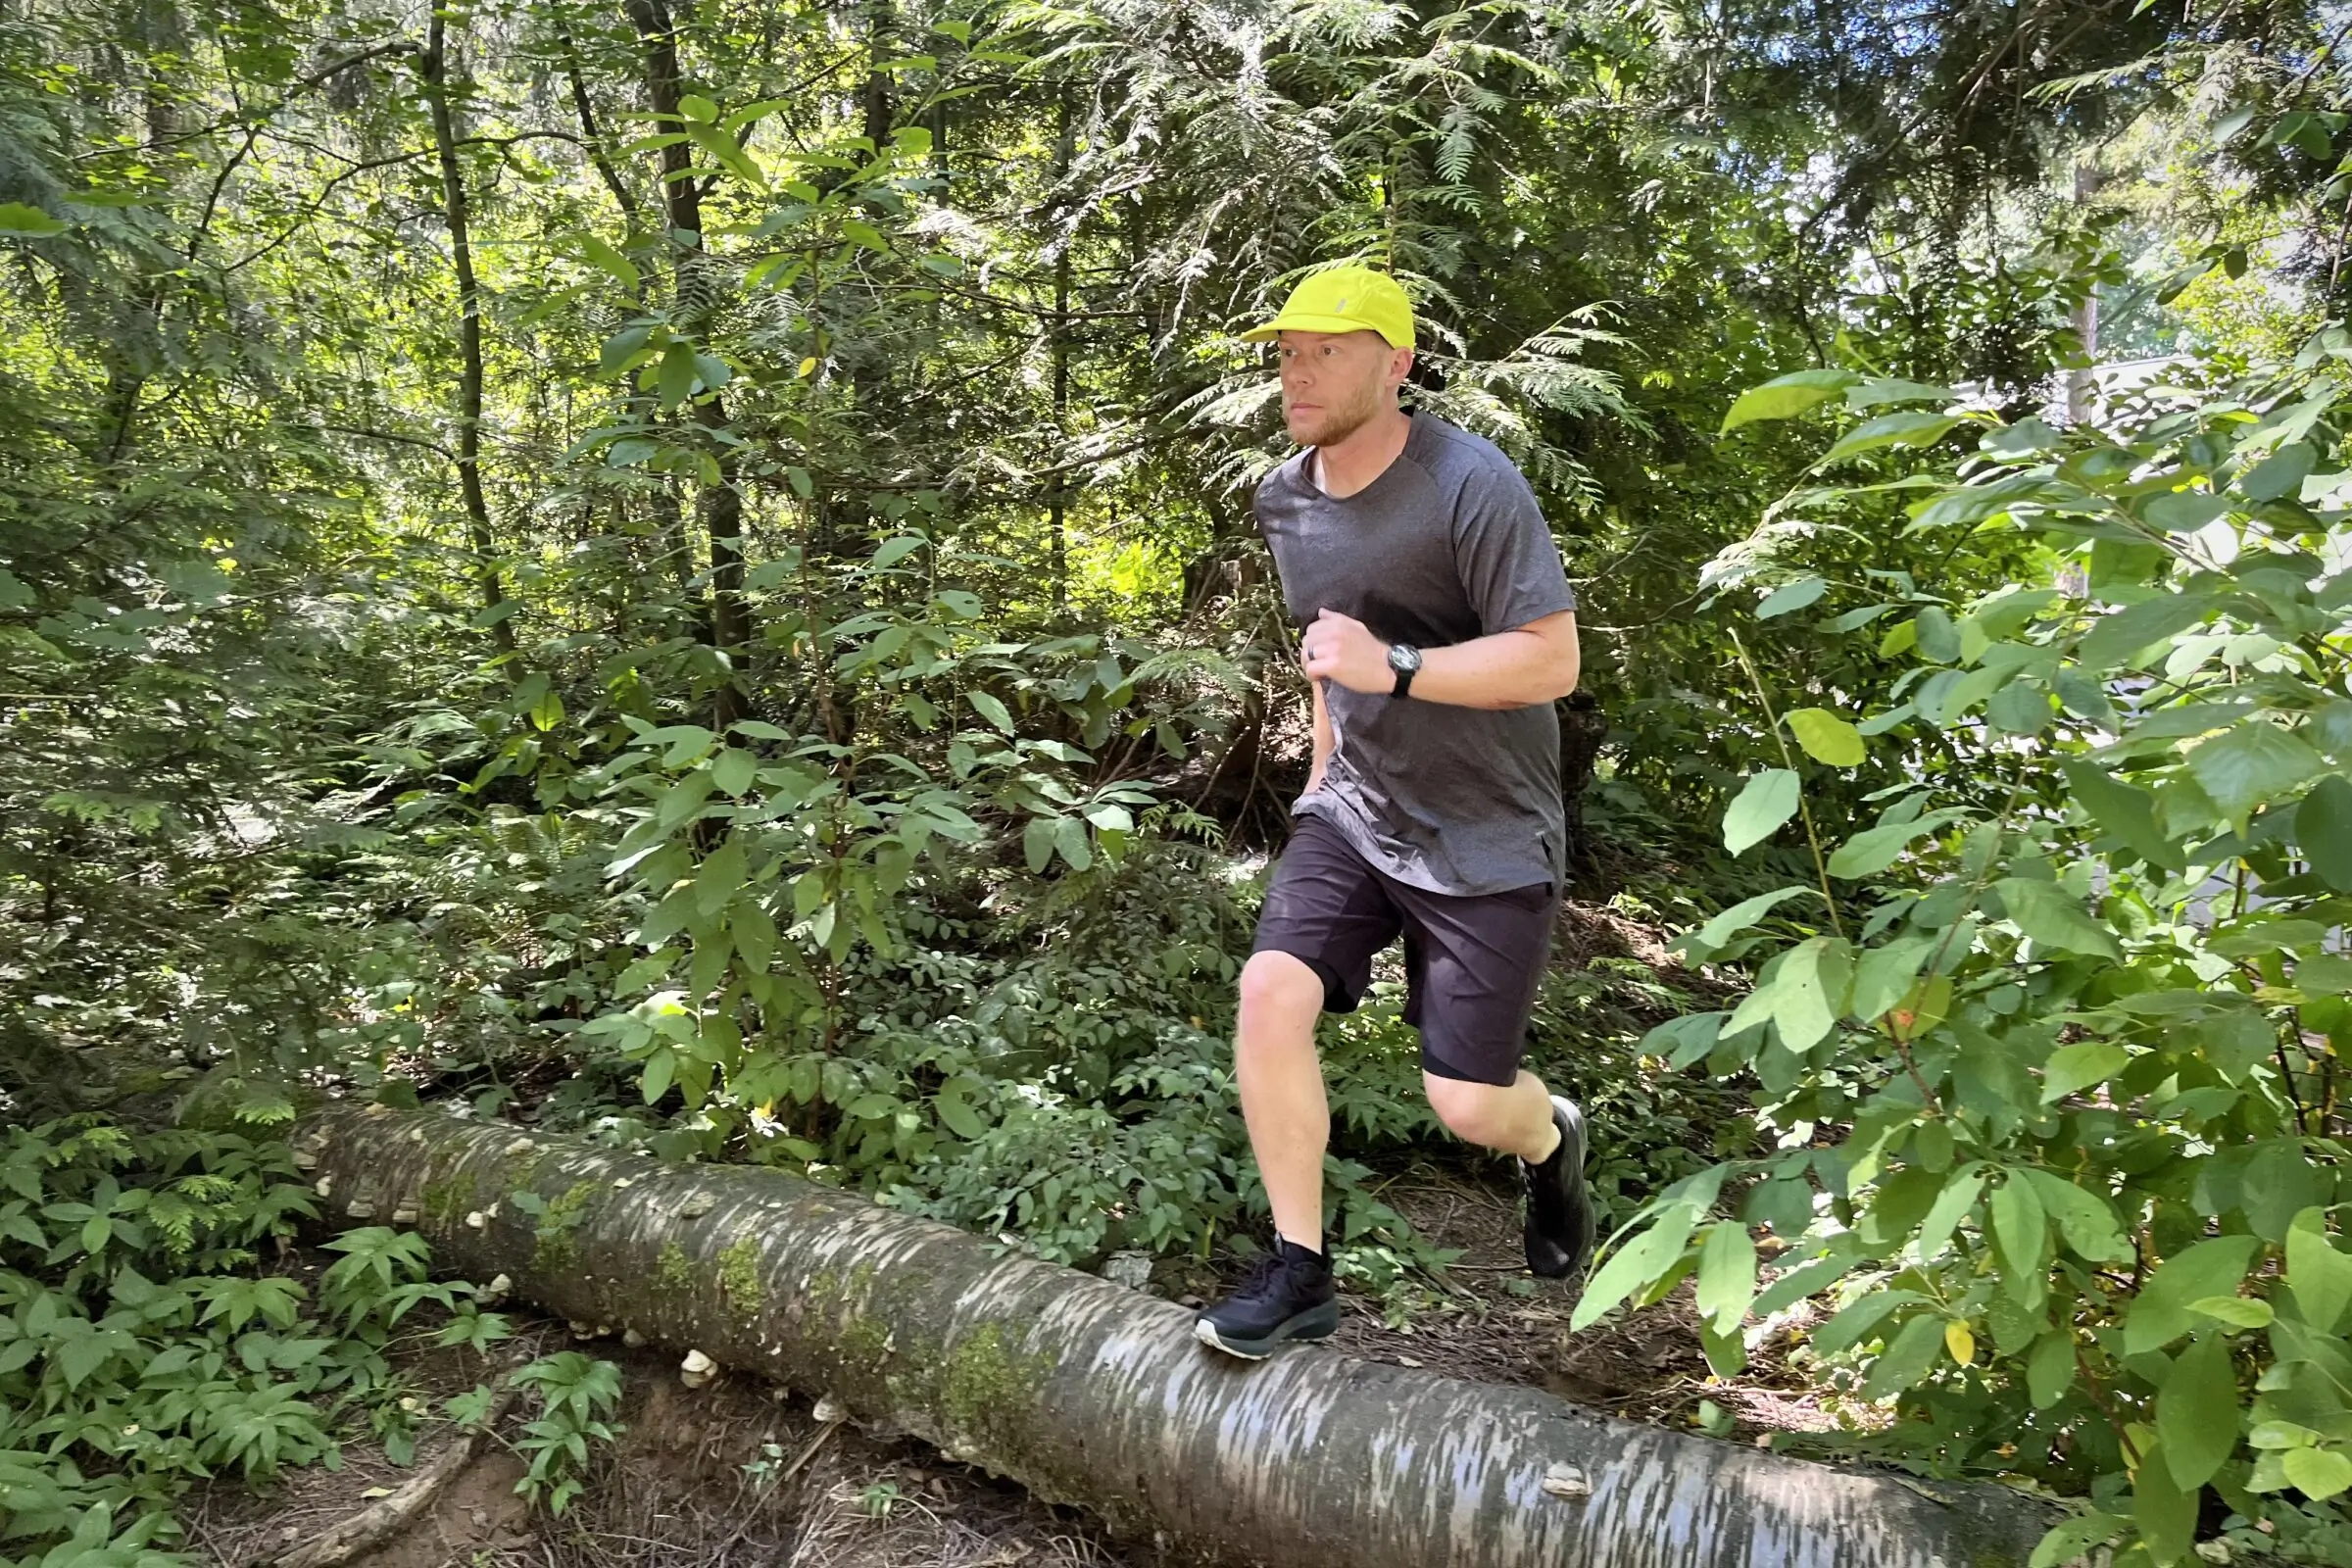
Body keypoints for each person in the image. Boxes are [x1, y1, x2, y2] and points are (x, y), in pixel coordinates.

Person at [1193, 265, 1596, 1361]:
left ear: (1399, 363)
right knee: (1270, 992)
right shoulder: (1286, 496)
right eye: (1286, 351)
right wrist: (1323, 778)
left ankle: (1552, 1135)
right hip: (1358, 808)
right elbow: (1331, 654)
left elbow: (1551, 660)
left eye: (1327, 348)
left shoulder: (1471, 483)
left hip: (1488, 830)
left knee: (1467, 1101)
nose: (1299, 370)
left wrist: (1400, 666)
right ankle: (1300, 1267)